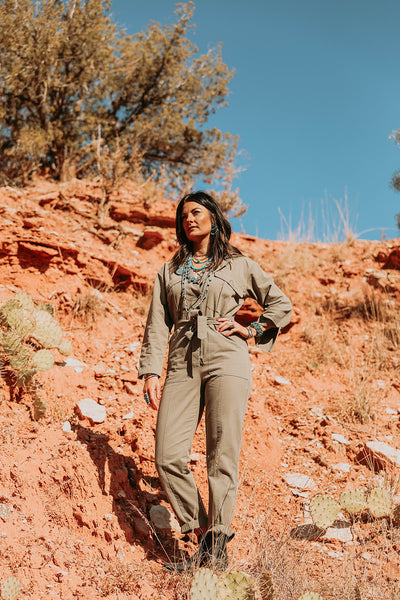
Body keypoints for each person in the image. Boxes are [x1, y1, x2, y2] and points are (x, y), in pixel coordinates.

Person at [138, 191, 292, 572]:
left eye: (196, 212)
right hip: (181, 360)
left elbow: (281, 305)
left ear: (213, 218)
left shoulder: (239, 265)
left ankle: (216, 547)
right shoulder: (169, 271)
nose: (189, 219)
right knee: (167, 456)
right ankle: (203, 531)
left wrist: (251, 329)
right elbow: (157, 323)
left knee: (221, 454)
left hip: (227, 356)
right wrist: (151, 370)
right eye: (183, 216)